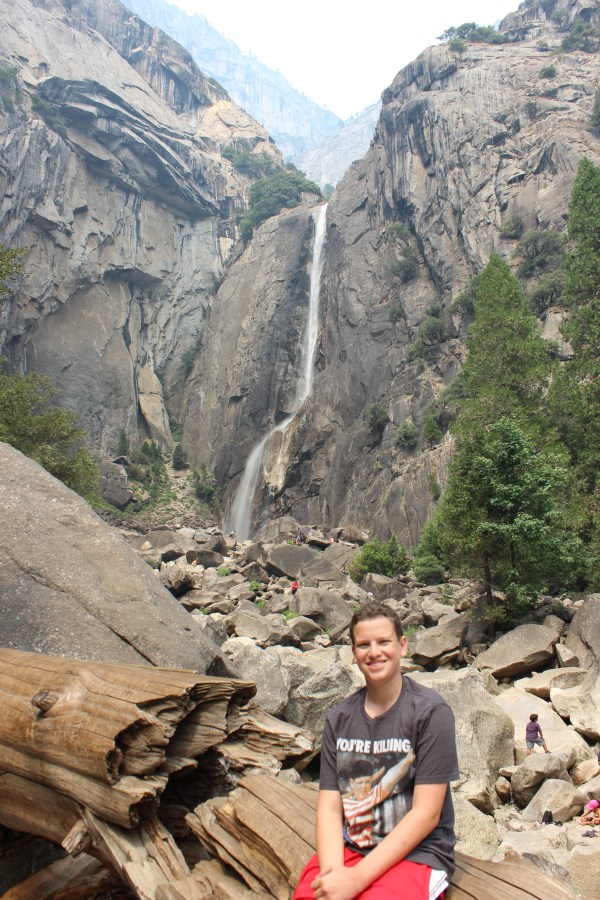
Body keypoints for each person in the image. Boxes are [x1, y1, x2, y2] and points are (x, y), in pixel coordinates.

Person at [294, 601, 459, 900]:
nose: (374, 652)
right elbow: (331, 808)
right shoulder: (339, 718)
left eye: (384, 642)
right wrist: (334, 875)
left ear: (403, 645)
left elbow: (427, 813)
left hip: (417, 854)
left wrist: (356, 880)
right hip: (352, 848)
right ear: (354, 654)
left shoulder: (431, 713)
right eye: (364, 644)